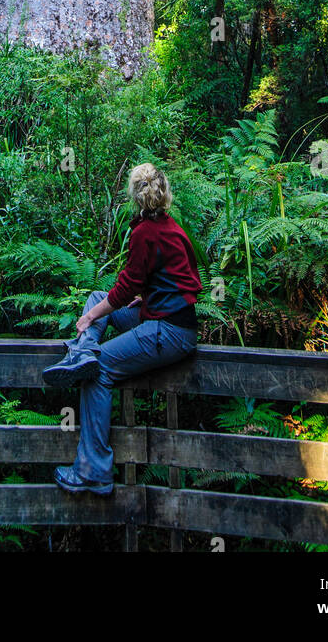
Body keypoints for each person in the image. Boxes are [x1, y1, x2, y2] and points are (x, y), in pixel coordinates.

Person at [43, 162, 201, 495]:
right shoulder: (169, 227)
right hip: (164, 317)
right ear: (164, 192)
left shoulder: (146, 231)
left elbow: (126, 287)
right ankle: (82, 352)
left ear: (133, 195)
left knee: (98, 371)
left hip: (169, 331)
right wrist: (148, 297)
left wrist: (88, 319)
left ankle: (93, 472)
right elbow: (172, 275)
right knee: (97, 296)